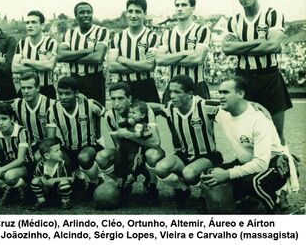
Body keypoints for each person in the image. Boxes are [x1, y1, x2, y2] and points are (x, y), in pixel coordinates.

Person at [201, 77, 298, 213]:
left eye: (225, 93)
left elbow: (260, 164)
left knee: (252, 182)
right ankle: (247, 199)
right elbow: (196, 102)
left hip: (275, 165)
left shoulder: (258, 120)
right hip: (247, 163)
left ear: (241, 94)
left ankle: (274, 206)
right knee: (209, 174)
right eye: (219, 92)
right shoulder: (222, 112)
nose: (220, 97)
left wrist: (228, 174)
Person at [222, 0, 292, 145]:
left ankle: (285, 168)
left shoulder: (272, 15)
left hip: (269, 77)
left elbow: (272, 46)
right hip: (243, 79)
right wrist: (258, 41)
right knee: (246, 131)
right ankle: (254, 169)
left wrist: (240, 47)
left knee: (276, 132)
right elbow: (226, 48)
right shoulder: (233, 21)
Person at [149, 75, 223, 207]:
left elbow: (230, 105)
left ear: (189, 94)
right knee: (160, 168)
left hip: (208, 156)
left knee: (188, 173)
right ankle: (183, 189)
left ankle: (207, 192)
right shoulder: (171, 107)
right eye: (170, 91)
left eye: (177, 92)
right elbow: (154, 107)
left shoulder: (204, 105)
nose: (172, 96)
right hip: (185, 156)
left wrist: (255, 105)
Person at [96, 82, 164, 204]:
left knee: (152, 155)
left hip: (146, 149)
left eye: (120, 98)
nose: (116, 103)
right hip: (127, 152)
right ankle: (123, 183)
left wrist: (129, 134)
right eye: (113, 99)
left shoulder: (144, 109)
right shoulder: (109, 115)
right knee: (102, 157)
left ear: (129, 98)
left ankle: (151, 185)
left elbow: (155, 142)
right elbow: (117, 145)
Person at [46, 76, 105, 197]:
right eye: (60, 93)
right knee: (57, 158)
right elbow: (50, 139)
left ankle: (95, 181)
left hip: (89, 147)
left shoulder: (90, 103)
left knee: (83, 157)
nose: (63, 97)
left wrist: (100, 137)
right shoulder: (53, 110)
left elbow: (108, 115)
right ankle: (78, 180)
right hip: (68, 148)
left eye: (67, 93)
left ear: (76, 93)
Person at [157, 0, 211, 103]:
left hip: (196, 85)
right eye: (177, 5)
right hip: (173, 87)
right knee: (171, 118)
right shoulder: (168, 33)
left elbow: (197, 59)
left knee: (199, 118)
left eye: (184, 5)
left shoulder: (202, 31)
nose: (179, 9)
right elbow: (159, 60)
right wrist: (184, 53)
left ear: (192, 8)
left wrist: (170, 59)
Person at [0, 102, 34, 206]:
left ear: (12, 119)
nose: (1, 123)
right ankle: (10, 188)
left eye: (4, 119)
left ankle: (25, 188)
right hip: (7, 163)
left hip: (25, 165)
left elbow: (20, 160)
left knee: (10, 175)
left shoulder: (22, 131)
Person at [108, 0, 160, 103]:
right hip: (123, 86)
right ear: (126, 13)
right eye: (130, 11)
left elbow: (150, 66)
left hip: (145, 85)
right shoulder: (117, 37)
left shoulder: (152, 36)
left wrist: (123, 60)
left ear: (145, 14)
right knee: (124, 119)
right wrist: (141, 65)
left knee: (147, 118)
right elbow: (112, 66)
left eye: (138, 11)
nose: (133, 15)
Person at [57, 2, 109, 105]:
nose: (86, 15)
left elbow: (97, 58)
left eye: (88, 12)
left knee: (96, 111)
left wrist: (70, 57)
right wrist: (86, 51)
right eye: (82, 12)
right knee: (77, 112)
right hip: (74, 79)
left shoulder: (101, 31)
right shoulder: (70, 33)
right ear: (76, 16)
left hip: (94, 79)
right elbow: (59, 56)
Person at [12, 10, 58, 99]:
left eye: (34, 22)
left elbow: (49, 66)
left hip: (46, 88)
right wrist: (41, 65)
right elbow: (14, 68)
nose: (30, 25)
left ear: (42, 25)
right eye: (27, 23)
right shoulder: (21, 43)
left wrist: (25, 61)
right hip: (26, 89)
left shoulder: (50, 42)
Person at [10, 71, 55, 159]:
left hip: (49, 145)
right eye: (23, 88)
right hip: (28, 145)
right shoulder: (17, 104)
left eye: (29, 88)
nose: (26, 91)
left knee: (38, 157)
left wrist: (79, 96)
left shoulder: (51, 104)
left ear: (38, 88)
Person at [30, 138, 73, 210]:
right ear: (47, 156)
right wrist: (41, 178)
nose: (60, 152)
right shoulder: (41, 165)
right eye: (57, 151)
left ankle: (65, 202)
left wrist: (55, 179)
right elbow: (36, 177)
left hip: (58, 190)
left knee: (64, 183)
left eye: (60, 149)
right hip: (46, 189)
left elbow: (70, 178)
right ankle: (41, 200)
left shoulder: (62, 164)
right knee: (35, 181)